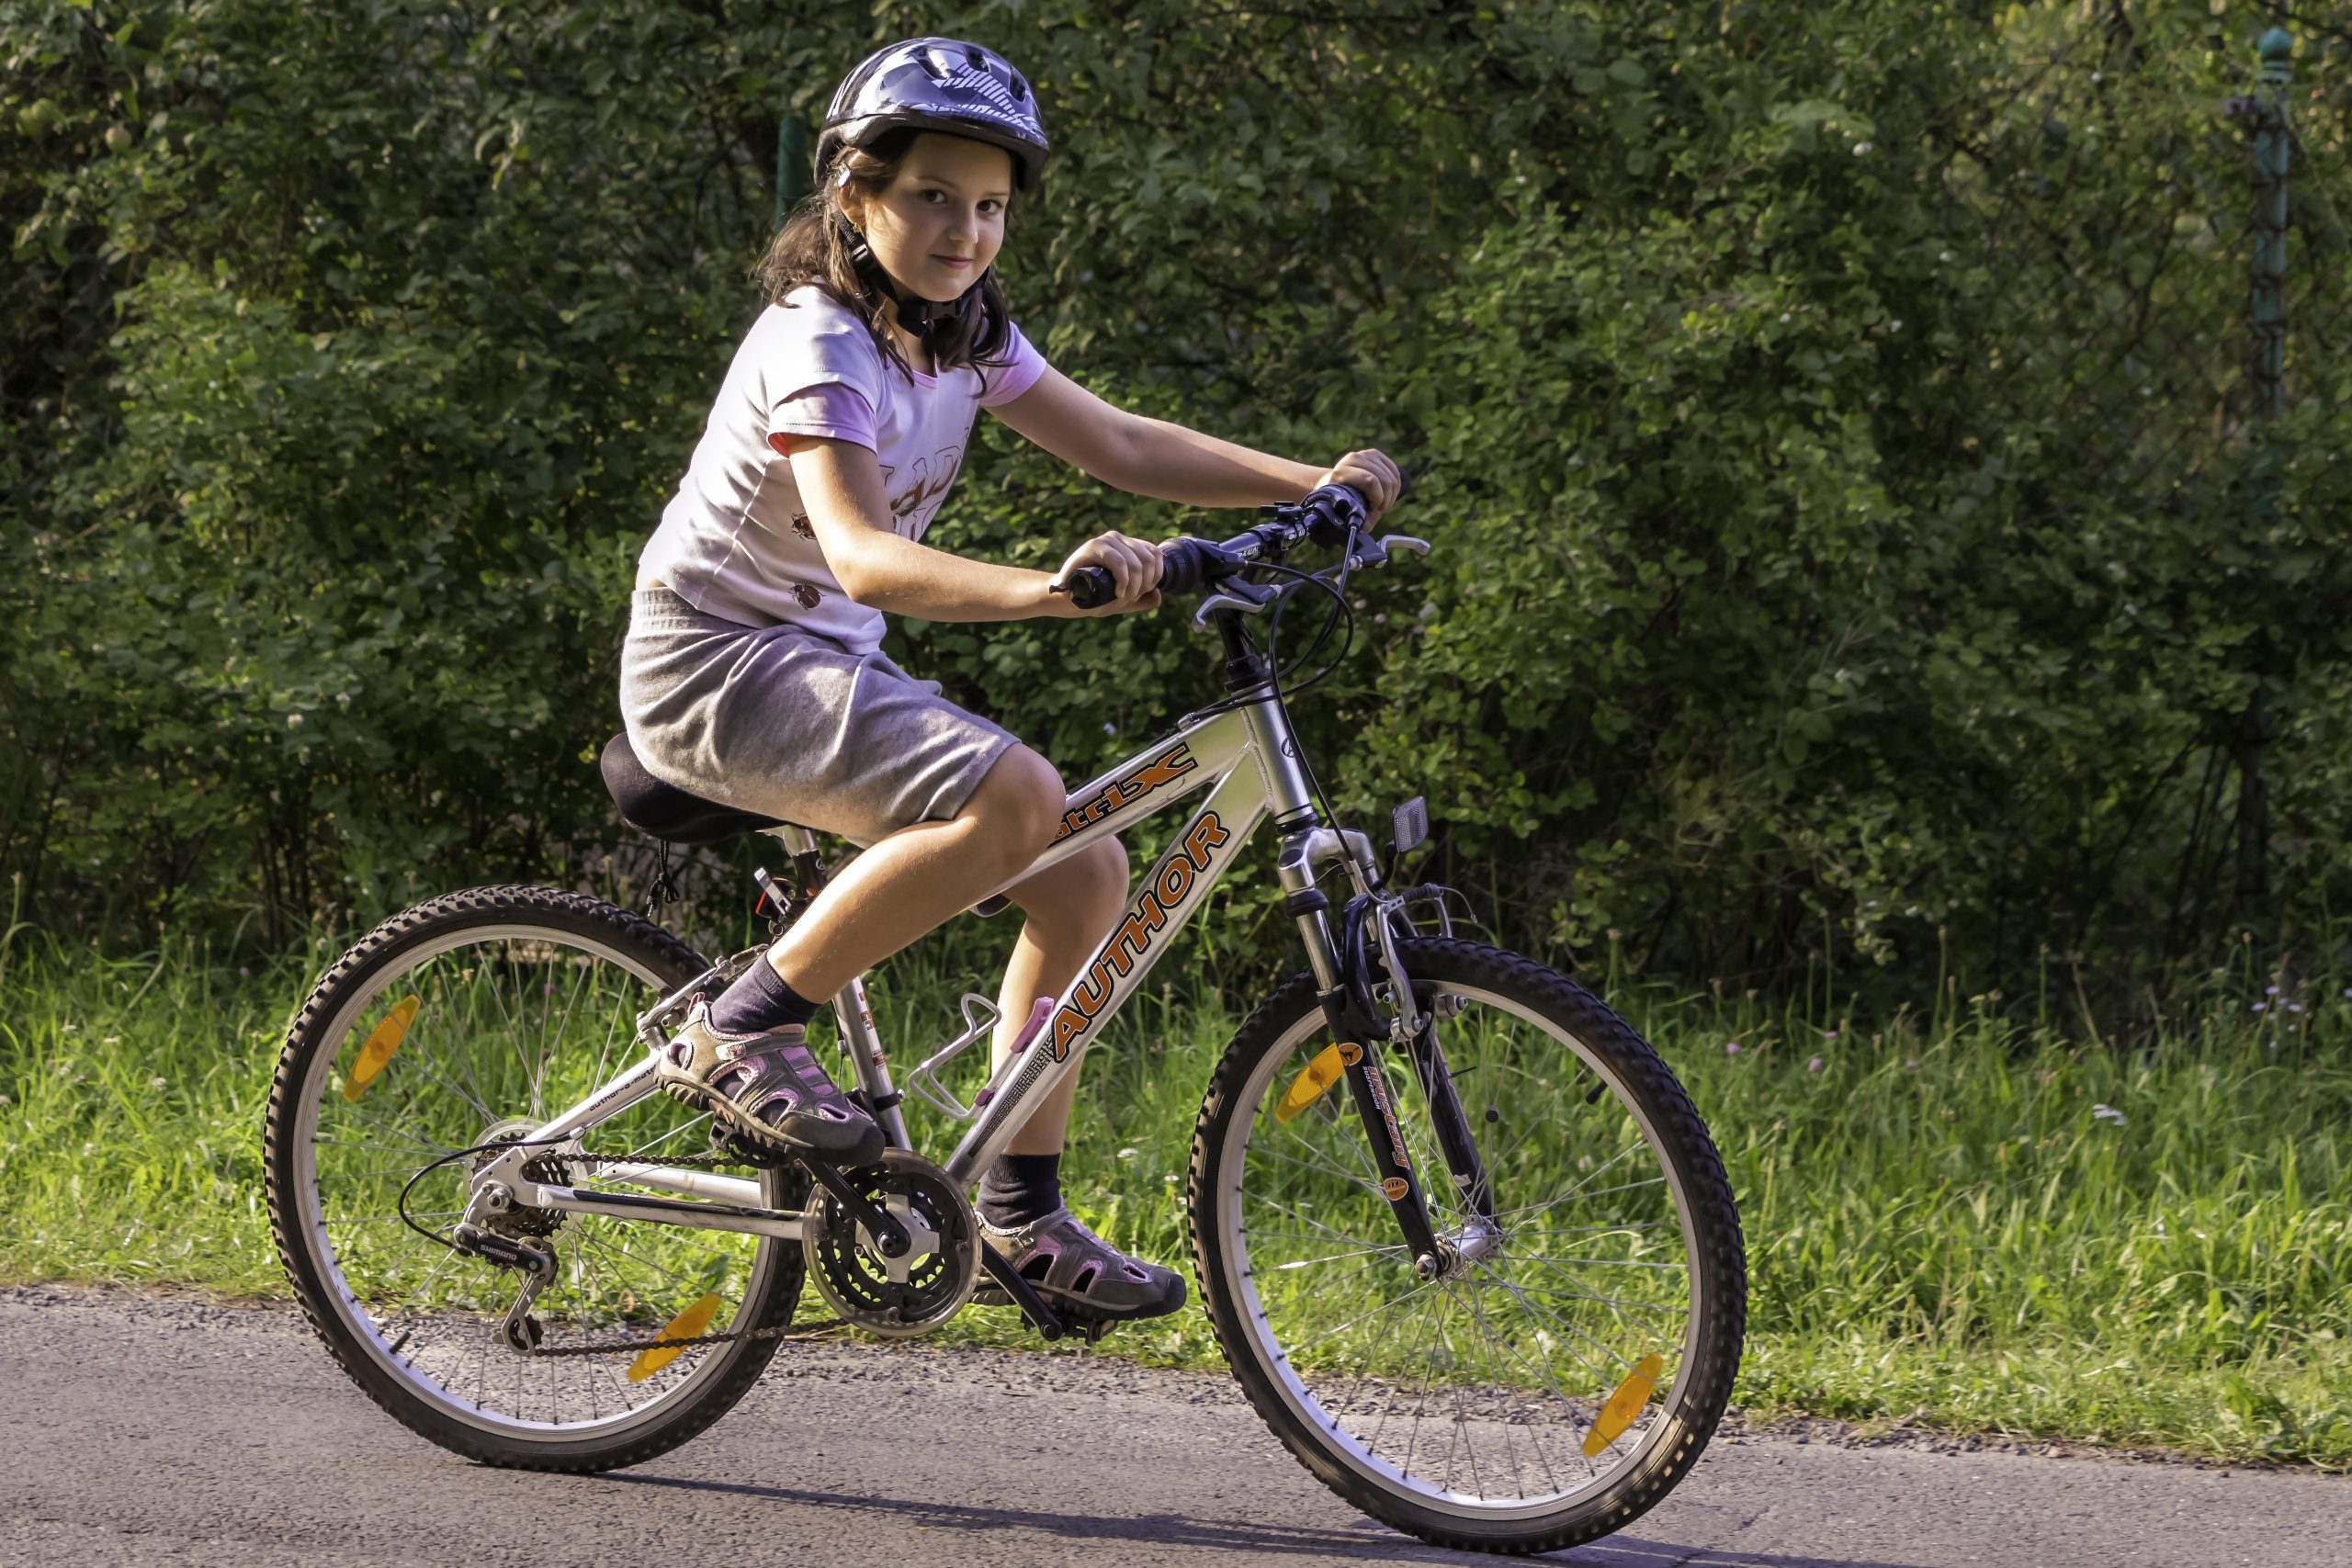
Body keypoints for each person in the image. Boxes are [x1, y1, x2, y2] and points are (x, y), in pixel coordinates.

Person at [620, 36, 1401, 1325]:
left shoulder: (962, 338)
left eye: (988, 207)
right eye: (932, 195)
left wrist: (1312, 480)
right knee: (1019, 795)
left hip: (818, 668)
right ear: (853, 196)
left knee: (1084, 867)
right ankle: (744, 1025)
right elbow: (866, 559)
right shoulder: (821, 342)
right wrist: (1054, 587)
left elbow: (1121, 443)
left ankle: (1020, 1217)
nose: (964, 230)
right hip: (714, 665)